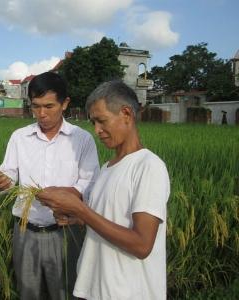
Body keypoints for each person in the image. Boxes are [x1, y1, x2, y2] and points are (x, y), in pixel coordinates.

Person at [38, 80, 170, 300]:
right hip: (96, 287)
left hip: (127, 293)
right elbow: (108, 217)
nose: (97, 130)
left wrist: (81, 210)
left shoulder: (148, 166)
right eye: (93, 123)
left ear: (126, 113)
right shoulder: (107, 168)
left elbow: (142, 244)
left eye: (102, 121)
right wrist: (76, 218)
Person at [0, 71, 100, 300]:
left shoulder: (82, 139)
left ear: (65, 103)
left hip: (66, 231)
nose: (42, 114)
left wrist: (65, 195)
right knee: (29, 292)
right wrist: (1, 182)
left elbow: (91, 182)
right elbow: (8, 174)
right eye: (35, 106)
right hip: (25, 231)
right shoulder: (20, 137)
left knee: (66, 291)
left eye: (49, 106)